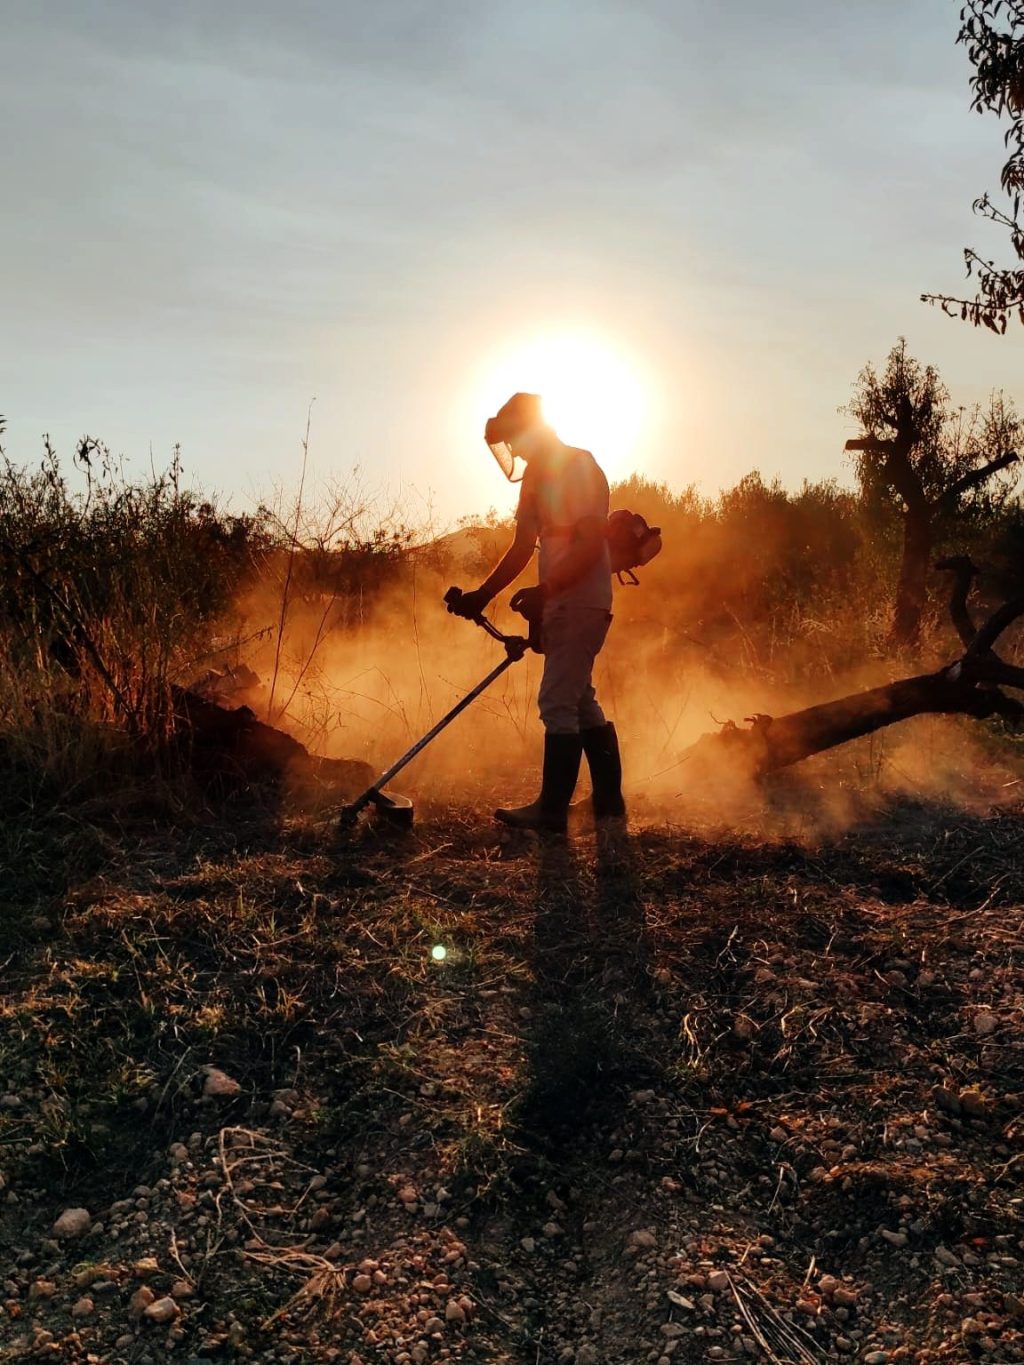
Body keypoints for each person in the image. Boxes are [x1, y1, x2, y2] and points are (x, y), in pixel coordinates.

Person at [448, 392, 624, 834]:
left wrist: (547, 590)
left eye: (515, 440)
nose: (515, 451)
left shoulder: (580, 467)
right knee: (579, 698)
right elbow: (523, 546)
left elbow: (590, 544)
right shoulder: (535, 481)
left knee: (557, 701)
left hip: (582, 600)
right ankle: (608, 803)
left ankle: (552, 813)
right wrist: (481, 595)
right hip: (567, 600)